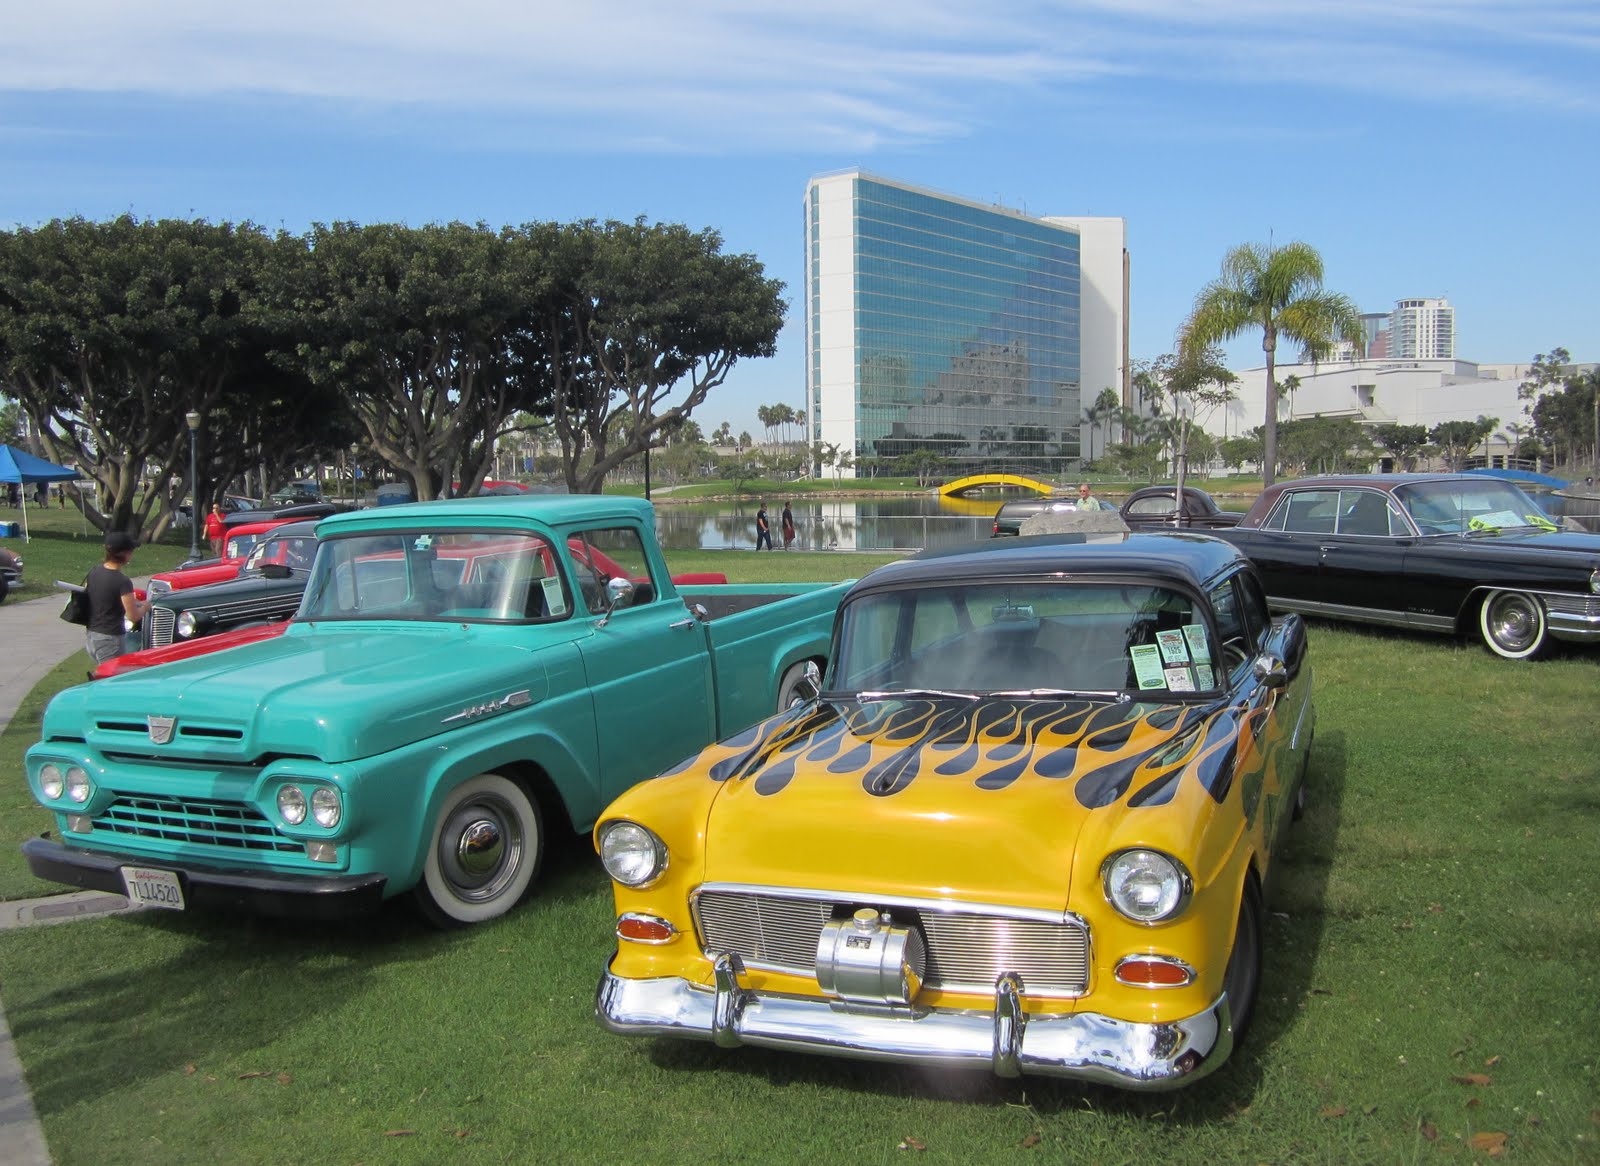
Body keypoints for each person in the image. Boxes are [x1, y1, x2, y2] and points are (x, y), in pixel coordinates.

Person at [84, 531, 150, 665]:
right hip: (110, 639)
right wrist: (146, 606)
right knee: (111, 679)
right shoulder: (122, 581)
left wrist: (134, 602)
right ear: (125, 554)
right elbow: (133, 616)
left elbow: (104, 596)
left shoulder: (95, 571)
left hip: (92, 635)